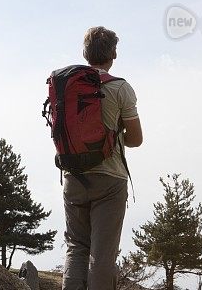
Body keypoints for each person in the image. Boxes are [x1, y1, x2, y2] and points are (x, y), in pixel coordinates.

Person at [62, 26, 143, 290]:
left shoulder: (66, 86)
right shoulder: (120, 88)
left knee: (76, 246)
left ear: (85, 54)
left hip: (73, 177)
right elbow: (136, 139)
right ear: (113, 54)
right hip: (110, 179)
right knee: (102, 254)